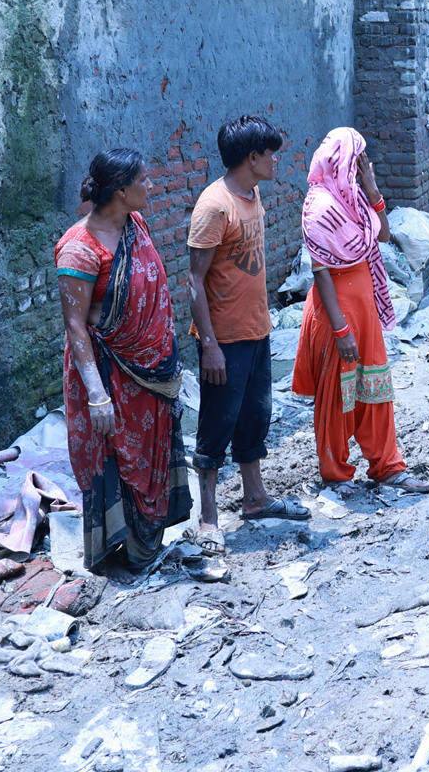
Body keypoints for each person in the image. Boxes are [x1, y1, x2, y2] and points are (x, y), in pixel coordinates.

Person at [55, 149, 193, 574]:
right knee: (116, 455)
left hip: (151, 374)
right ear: (120, 190)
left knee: (151, 454)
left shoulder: (136, 226)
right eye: (144, 179)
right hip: (110, 374)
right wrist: (96, 395)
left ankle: (145, 549)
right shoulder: (79, 248)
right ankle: (121, 550)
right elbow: (76, 327)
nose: (151, 185)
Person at [186, 115, 309, 547]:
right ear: (252, 157)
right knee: (216, 426)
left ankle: (255, 497)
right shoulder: (214, 206)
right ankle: (208, 516)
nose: (277, 160)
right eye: (271, 153)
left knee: (255, 419)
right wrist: (210, 347)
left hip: (256, 331)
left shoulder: (252, 193)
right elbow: (194, 281)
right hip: (225, 340)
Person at [290, 128, 429, 492]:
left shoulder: (352, 198)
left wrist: (372, 190)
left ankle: (388, 467)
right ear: (340, 161)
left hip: (364, 310)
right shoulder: (319, 207)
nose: (360, 167)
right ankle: (335, 473)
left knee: (376, 390)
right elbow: (320, 274)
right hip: (336, 315)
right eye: (357, 161)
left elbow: (382, 236)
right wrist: (340, 331)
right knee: (337, 395)